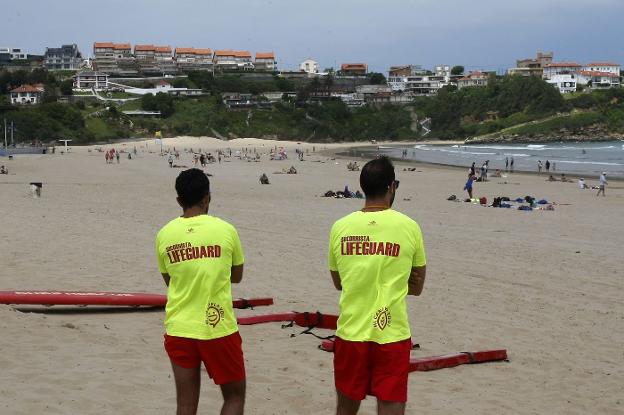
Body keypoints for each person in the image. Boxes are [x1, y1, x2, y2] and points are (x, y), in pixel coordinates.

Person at [327, 156, 427, 415]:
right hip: (391, 333)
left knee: (346, 407)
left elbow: (339, 282)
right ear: (392, 186)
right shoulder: (409, 227)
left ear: (363, 187)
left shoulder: (340, 227)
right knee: (391, 405)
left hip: (351, 331)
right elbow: (416, 288)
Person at [155, 168, 246, 415]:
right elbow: (236, 276)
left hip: (179, 327)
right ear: (207, 197)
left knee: (185, 405)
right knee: (234, 396)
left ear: (178, 200)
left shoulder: (164, 235)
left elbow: (170, 281)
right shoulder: (226, 230)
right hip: (218, 327)